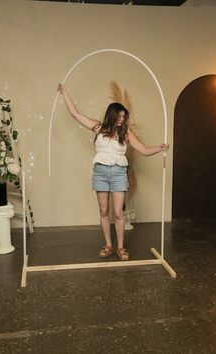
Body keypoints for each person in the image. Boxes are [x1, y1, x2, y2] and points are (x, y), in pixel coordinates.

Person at [57, 83, 169, 261]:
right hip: (100, 172)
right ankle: (108, 245)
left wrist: (159, 148)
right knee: (103, 211)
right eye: (120, 116)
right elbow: (75, 114)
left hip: (118, 174)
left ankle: (121, 247)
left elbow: (144, 150)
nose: (122, 120)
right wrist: (64, 93)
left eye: (124, 117)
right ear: (112, 114)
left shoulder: (126, 133)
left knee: (118, 213)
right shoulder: (98, 127)